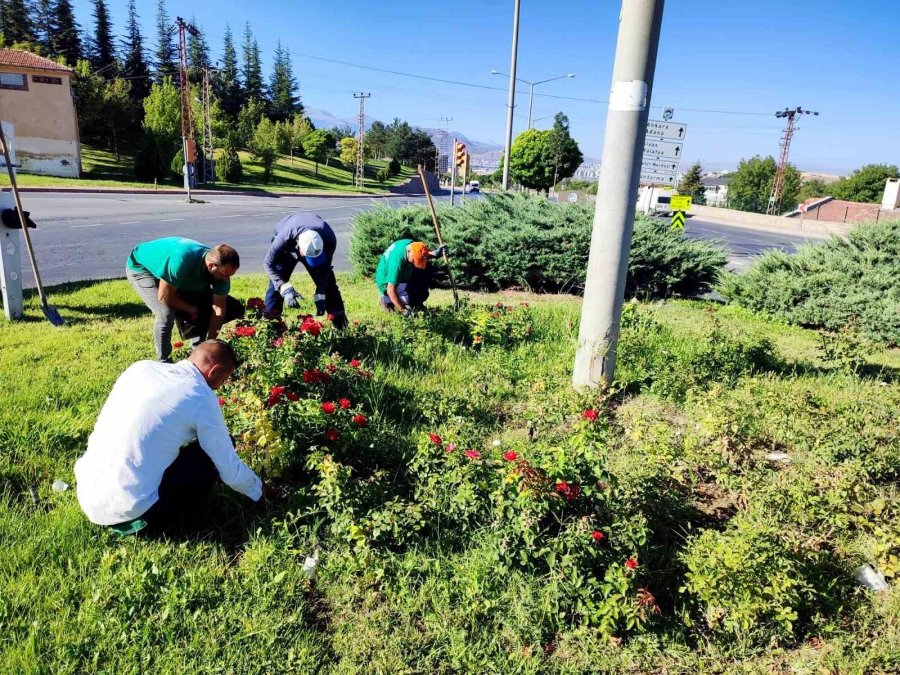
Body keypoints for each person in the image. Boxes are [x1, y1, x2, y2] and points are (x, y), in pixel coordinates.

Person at [74, 340, 263, 535]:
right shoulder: (200, 396)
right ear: (214, 371)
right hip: (135, 512)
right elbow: (229, 468)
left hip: (89, 495)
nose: (220, 387)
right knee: (209, 455)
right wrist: (259, 491)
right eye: (223, 380)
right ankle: (185, 519)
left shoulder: (140, 369)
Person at [126, 237, 244, 362]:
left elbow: (218, 309)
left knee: (204, 307)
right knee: (166, 313)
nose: (226, 280)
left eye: (230, 275)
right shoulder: (181, 261)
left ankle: (196, 353)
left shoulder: (221, 272)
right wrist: (191, 309)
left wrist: (209, 344)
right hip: (143, 268)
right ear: (211, 266)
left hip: (176, 273)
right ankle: (164, 361)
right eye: (224, 275)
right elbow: (164, 297)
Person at [263, 212, 348, 328]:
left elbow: (325, 269)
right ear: (299, 248)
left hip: (311, 237)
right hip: (288, 244)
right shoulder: (284, 237)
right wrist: (283, 287)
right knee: (276, 282)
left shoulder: (329, 239)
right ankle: (271, 324)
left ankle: (340, 324)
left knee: (329, 283)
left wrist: (321, 291)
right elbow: (268, 263)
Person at [375, 238, 448, 314]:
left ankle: (416, 303)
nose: (414, 263)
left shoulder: (411, 245)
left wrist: (435, 254)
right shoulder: (396, 264)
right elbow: (390, 290)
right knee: (412, 296)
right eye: (414, 261)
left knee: (427, 269)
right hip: (387, 284)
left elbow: (421, 255)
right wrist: (404, 311)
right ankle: (385, 300)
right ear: (409, 252)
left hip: (402, 275)